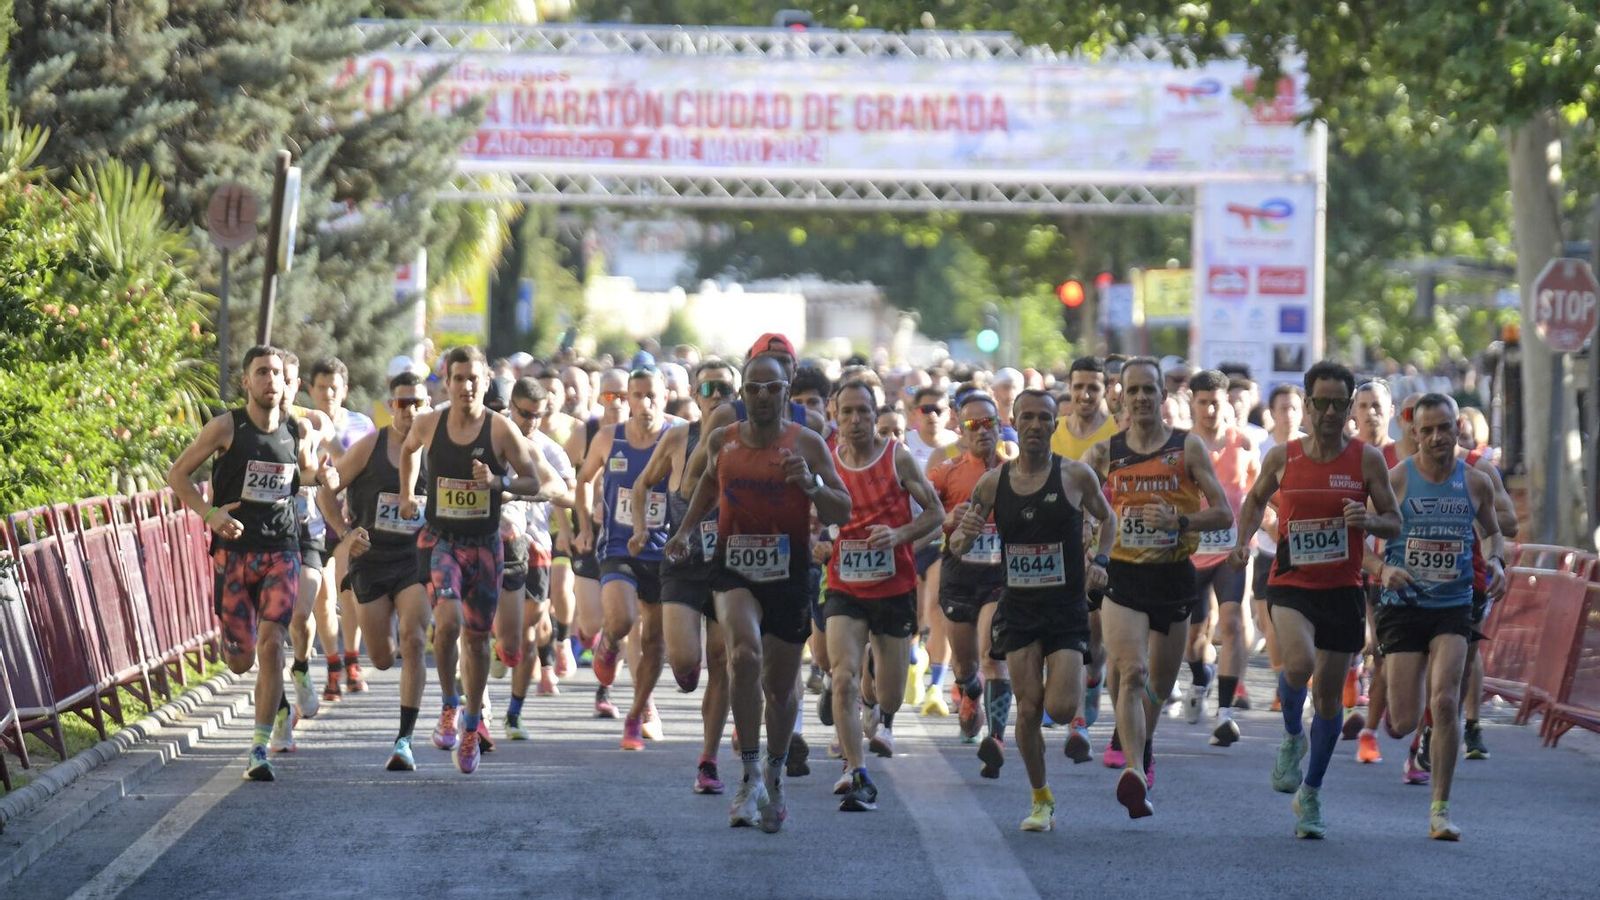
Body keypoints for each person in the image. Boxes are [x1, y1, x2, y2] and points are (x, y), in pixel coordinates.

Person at [664, 354, 851, 833]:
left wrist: (808, 483)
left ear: (786, 392)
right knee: (742, 655)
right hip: (734, 569)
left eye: (773, 388)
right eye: (755, 388)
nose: (764, 396)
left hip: (787, 573)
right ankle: (748, 776)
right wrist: (684, 532)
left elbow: (841, 509)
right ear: (743, 395)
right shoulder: (723, 441)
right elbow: (705, 484)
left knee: (781, 688)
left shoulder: (807, 444)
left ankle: (774, 769)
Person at [1228, 361, 1401, 839]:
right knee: (1298, 664)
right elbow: (1254, 500)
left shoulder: (1366, 460)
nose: (1327, 411)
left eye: (1336, 403)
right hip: (1292, 581)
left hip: (1343, 589)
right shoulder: (1283, 456)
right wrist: (1243, 542)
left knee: (1328, 697)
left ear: (1348, 407)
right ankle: (1290, 736)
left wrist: (1366, 523)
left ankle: (1312, 793)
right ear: (1306, 405)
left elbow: (1394, 520)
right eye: (1318, 402)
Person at [166, 345, 334, 781]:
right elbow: (177, 475)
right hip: (235, 553)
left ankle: (259, 747)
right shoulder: (226, 427)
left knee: (273, 643)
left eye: (276, 372)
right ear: (247, 381)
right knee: (241, 660)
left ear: (285, 380)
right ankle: (266, 702)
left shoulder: (296, 429)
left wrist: (327, 476)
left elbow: (306, 471)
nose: (270, 380)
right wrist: (210, 514)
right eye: (261, 372)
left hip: (282, 548)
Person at [952, 389, 1115, 832]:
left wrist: (1100, 561)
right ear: (1015, 422)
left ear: (1054, 425)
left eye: (1045, 418)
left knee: (1060, 709)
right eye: (1028, 417)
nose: (1037, 425)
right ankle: (1041, 797)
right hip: (1020, 608)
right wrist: (963, 534)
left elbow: (1108, 520)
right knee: (1027, 709)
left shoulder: (1076, 476)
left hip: (1065, 608)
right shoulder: (993, 483)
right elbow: (957, 543)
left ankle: (1083, 687)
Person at [397, 346, 565, 774]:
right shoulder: (430, 422)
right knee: (447, 621)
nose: (466, 386)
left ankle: (472, 723)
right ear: (447, 382)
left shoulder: (501, 429)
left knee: (476, 639)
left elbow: (532, 479)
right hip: (442, 539)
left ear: (486, 381)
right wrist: (405, 494)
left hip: (486, 544)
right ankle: (450, 705)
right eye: (458, 378)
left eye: (474, 378)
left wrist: (497, 481)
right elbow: (409, 449)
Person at [1086, 357, 1232, 818]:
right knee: (1131, 672)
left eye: (1150, 390)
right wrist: (1093, 544)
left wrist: (1181, 520)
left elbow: (1224, 513)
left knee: (1158, 686)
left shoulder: (1187, 447)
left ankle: (1143, 748)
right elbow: (1078, 504)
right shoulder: (1104, 453)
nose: (1143, 398)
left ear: (1162, 398)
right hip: (1124, 577)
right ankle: (1133, 770)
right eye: (1134, 391)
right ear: (1122, 398)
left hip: (1172, 576)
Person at [1367, 393, 1506, 840]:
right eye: (1426, 430)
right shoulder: (1395, 480)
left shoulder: (1475, 481)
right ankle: (1391, 700)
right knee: (1403, 721)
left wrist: (1498, 563)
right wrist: (1384, 569)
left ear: (1457, 429)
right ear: (1413, 433)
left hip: (1453, 605)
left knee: (1445, 701)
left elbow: (1493, 535)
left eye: (1444, 428)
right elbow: (1360, 548)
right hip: (1405, 607)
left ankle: (1440, 811)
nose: (1436, 437)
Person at [824, 379, 944, 811]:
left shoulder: (899, 457)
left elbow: (936, 513)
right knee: (843, 676)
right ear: (834, 418)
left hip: (893, 589)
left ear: (876, 416)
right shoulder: (829, 462)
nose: (855, 421)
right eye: (847, 413)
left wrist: (899, 535)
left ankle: (876, 707)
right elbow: (813, 517)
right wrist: (819, 541)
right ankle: (856, 772)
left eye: (863, 412)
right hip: (844, 587)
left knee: (890, 696)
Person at [314, 371, 432, 770]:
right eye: (402, 403)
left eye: (417, 402)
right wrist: (345, 533)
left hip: (415, 560)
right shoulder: (371, 445)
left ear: (428, 404)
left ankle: (404, 740)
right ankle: (386, 642)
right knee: (382, 657)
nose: (409, 411)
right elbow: (325, 492)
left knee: (415, 640)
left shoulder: (437, 448)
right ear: (390, 406)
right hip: (371, 561)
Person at [632, 358, 739, 793]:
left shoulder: (745, 442)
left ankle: (708, 759)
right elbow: (642, 486)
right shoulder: (679, 437)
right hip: (681, 561)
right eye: (708, 389)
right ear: (694, 395)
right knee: (684, 664)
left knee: (721, 660)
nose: (716, 397)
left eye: (724, 389)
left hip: (729, 564)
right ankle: (685, 675)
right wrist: (642, 529)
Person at [577, 366, 679, 750]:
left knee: (654, 641)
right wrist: (585, 525)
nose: (645, 403)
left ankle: (636, 715)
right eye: (637, 395)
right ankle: (608, 643)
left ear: (665, 397)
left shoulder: (678, 437)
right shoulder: (609, 438)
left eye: (652, 395)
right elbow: (584, 479)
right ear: (628, 400)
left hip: (661, 549)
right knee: (622, 620)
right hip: (618, 546)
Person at [928, 393, 1009, 773]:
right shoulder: (946, 471)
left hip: (1000, 576)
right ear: (961, 429)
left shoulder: (1015, 469)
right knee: (965, 663)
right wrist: (948, 518)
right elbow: (921, 517)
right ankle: (968, 691)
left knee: (993, 656)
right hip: (959, 574)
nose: (982, 430)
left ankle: (996, 740)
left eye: (989, 422)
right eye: (973, 424)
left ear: (999, 424)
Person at [495, 379, 577, 737]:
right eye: (522, 413)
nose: (529, 422)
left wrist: (526, 491)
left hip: (538, 543)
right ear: (511, 407)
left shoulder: (549, 450)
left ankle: (514, 713)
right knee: (486, 625)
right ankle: (479, 706)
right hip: (496, 539)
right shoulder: (495, 439)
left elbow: (569, 496)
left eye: (536, 416)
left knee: (530, 629)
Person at [1184, 370, 1259, 746]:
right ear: (1191, 403)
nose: (1211, 409)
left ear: (1227, 402)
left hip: (1230, 553)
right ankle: (1200, 678)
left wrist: (1253, 534)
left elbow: (1259, 496)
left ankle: (1225, 714)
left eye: (1217, 401)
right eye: (1203, 402)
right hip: (1191, 554)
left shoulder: (1243, 444)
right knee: (1193, 637)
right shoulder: (1181, 446)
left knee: (1232, 622)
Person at [307, 357, 377, 698]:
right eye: (322, 387)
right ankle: (332, 664)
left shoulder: (362, 425)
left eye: (334, 387)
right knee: (323, 597)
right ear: (311, 389)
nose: (328, 393)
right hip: (313, 519)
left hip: (350, 518)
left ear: (345, 390)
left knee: (347, 591)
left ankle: (351, 661)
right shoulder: (303, 424)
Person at [1250, 383, 1306, 711]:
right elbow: (1252, 495)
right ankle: (1281, 682)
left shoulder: (1310, 449)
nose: (1287, 415)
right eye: (1282, 408)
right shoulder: (1262, 449)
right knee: (1269, 623)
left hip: (1304, 552)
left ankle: (1297, 680)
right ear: (1271, 412)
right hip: (1269, 549)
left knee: (1301, 621)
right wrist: (1269, 520)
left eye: (1294, 408)